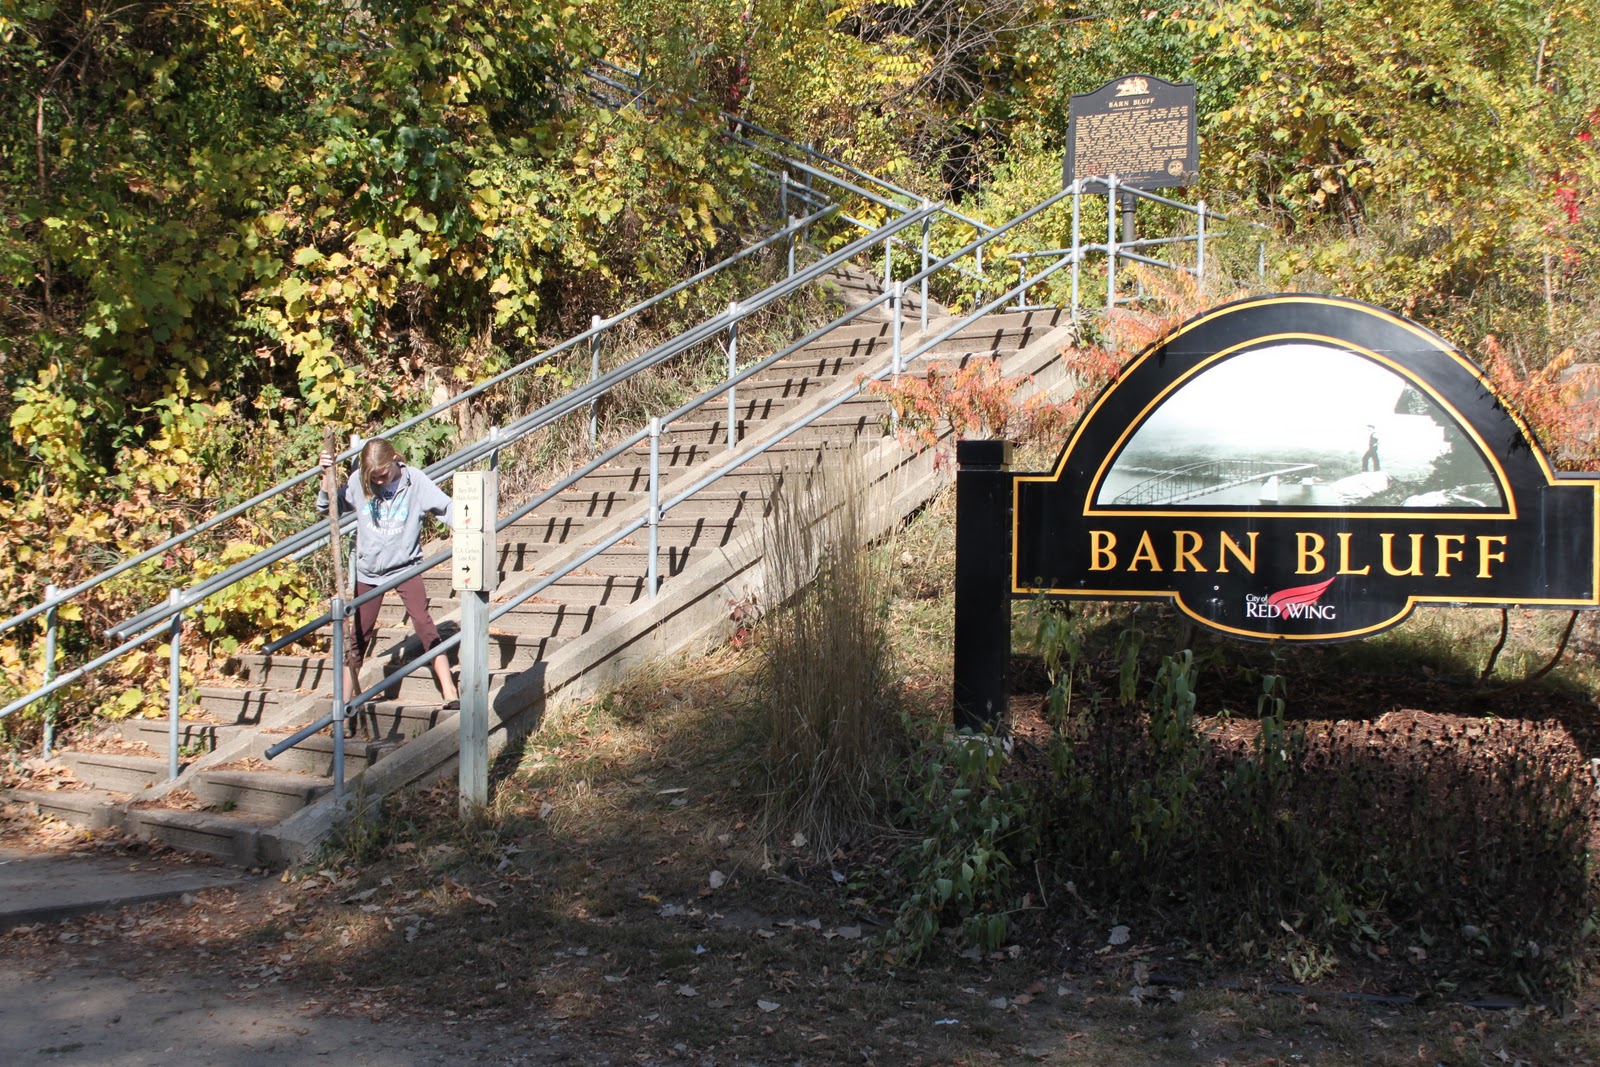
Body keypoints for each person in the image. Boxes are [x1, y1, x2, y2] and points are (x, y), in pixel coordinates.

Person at [317, 439, 458, 726]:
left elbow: (446, 508)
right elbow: (329, 507)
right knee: (357, 636)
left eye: (382, 474)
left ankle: (449, 689)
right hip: (369, 571)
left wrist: (472, 523)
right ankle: (341, 711)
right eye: (374, 477)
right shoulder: (360, 481)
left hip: (405, 566)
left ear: (395, 458)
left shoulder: (414, 481)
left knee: (422, 622)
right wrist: (325, 479)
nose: (379, 481)